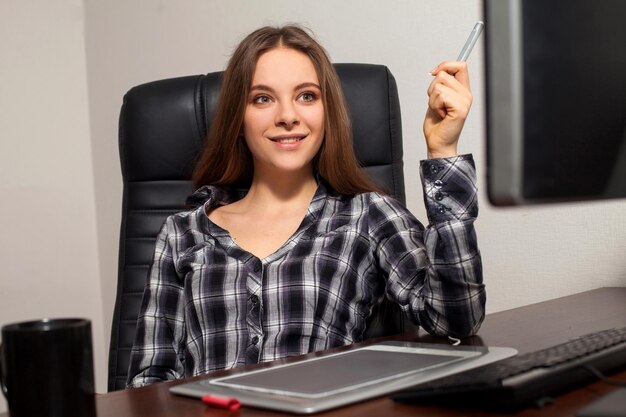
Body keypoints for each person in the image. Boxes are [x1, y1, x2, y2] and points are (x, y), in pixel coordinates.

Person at [126, 25, 485, 388]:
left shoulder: (368, 215)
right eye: (262, 98)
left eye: (307, 96)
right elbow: (149, 381)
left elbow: (456, 319)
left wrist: (442, 150)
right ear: (238, 117)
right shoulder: (183, 232)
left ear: (327, 112)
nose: (287, 116)